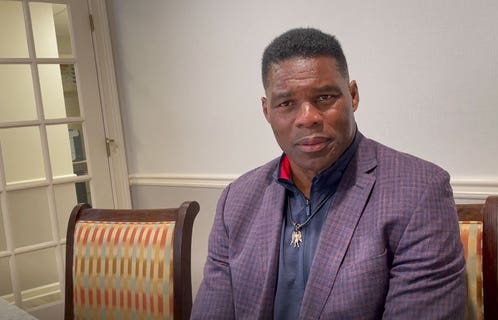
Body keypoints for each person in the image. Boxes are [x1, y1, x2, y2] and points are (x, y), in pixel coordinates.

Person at [191, 27, 466, 319]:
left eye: (324, 97)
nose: (308, 118)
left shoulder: (418, 191)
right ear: (266, 110)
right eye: (286, 103)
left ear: (353, 95)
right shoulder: (236, 201)